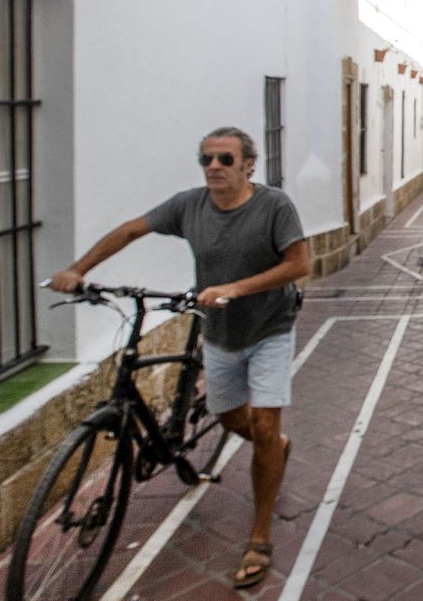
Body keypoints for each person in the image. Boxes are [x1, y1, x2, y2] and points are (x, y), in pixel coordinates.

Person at [45, 126, 308, 589]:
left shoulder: (273, 206)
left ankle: (260, 534)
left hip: (270, 328)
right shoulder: (189, 206)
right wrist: (78, 270)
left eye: (225, 159)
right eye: (206, 158)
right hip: (220, 333)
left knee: (265, 426)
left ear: (249, 164)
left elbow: (299, 264)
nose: (213, 167)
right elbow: (131, 229)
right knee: (231, 421)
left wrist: (234, 288)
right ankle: (274, 448)